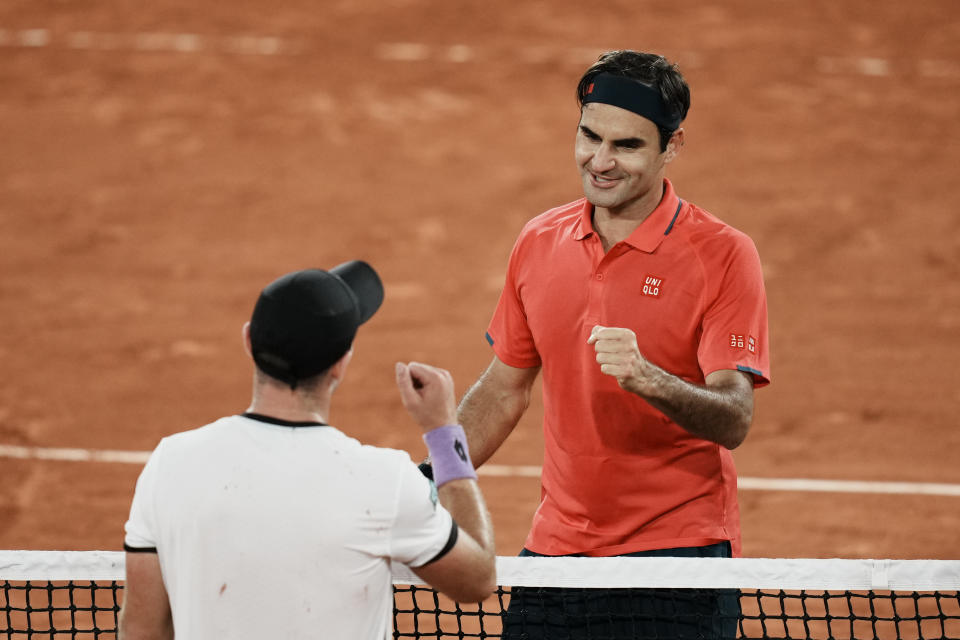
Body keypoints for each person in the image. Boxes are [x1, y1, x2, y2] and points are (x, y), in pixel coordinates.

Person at [454, 50, 771, 638]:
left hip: (680, 557)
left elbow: (734, 418)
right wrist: (431, 475)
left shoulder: (724, 255)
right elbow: (504, 388)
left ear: (671, 147)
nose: (598, 161)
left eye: (626, 146)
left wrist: (648, 379)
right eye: (588, 135)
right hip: (558, 554)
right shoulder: (540, 241)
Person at [118, 261, 496, 640]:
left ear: (249, 341)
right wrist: (444, 433)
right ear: (341, 364)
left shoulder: (170, 464)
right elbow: (478, 579)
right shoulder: (383, 481)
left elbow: (142, 630)